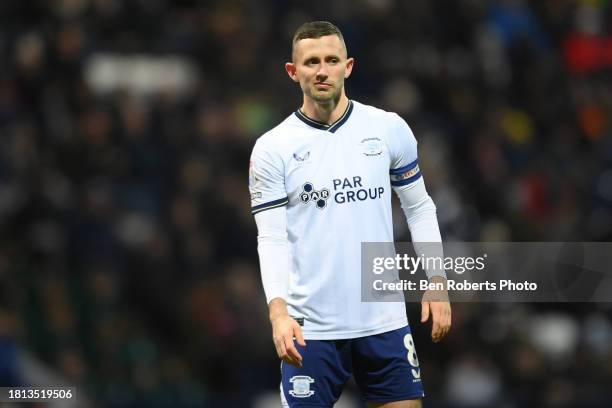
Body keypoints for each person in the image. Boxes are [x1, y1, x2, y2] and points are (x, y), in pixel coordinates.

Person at [249, 21, 451, 408]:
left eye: (331, 60)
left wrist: (437, 278)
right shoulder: (272, 148)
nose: (322, 70)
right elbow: (270, 237)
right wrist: (277, 313)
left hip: (384, 322)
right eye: (311, 62)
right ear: (293, 72)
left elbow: (419, 207)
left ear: (349, 66)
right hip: (311, 330)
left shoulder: (388, 129)